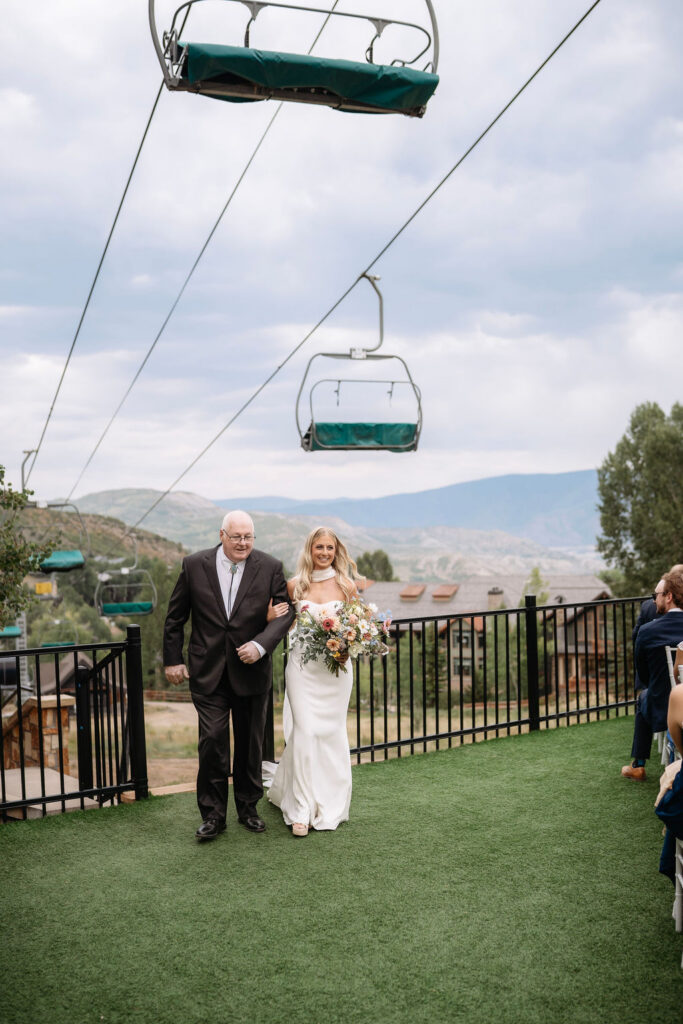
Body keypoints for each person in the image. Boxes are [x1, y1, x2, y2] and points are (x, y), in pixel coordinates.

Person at [163, 511, 294, 840]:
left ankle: (248, 808)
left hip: (252, 671)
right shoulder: (194, 565)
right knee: (212, 742)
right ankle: (212, 815)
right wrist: (172, 660)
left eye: (248, 537)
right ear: (222, 535)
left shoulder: (271, 566)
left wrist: (261, 645)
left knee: (251, 744)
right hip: (208, 672)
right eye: (236, 537)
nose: (243, 543)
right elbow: (175, 617)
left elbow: (285, 612)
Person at [266, 527, 360, 837]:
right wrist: (269, 618)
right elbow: (282, 623)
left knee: (330, 734)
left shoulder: (347, 586)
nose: (324, 552)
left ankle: (331, 799)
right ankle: (301, 809)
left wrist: (348, 648)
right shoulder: (295, 586)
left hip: (335, 672)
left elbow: (356, 629)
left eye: (329, 548)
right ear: (310, 549)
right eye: (318, 547)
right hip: (302, 670)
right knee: (305, 732)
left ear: (336, 551)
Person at [621, 569, 683, 780]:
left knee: (644, 696)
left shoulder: (647, 632)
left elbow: (644, 674)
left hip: (663, 707)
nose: (653, 599)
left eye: (656, 595)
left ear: (669, 596)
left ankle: (638, 764)